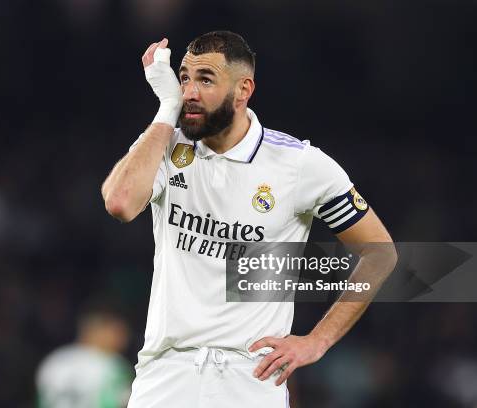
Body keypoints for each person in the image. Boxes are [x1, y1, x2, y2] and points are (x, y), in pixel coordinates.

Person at [101, 31, 397, 407]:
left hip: (249, 377)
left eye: (205, 79)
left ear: (243, 90)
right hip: (165, 375)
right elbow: (120, 203)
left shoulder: (298, 164)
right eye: (184, 78)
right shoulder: (165, 145)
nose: (189, 91)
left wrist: (317, 341)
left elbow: (381, 254)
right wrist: (164, 109)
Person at [35, 302, 133, 408]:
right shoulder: (112, 366)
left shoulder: (52, 361)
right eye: (118, 331)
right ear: (100, 331)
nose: (124, 338)